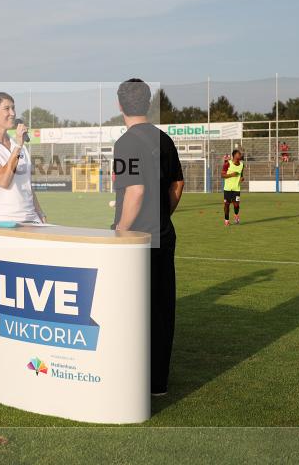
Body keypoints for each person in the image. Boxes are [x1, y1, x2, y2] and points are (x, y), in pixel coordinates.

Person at [111, 79, 185, 397]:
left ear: (120, 106)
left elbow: (136, 190)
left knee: (130, 310)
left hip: (136, 240)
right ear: (148, 103)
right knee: (161, 308)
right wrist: (162, 215)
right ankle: (158, 383)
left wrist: (121, 231)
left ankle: (130, 380)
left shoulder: (126, 143)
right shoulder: (164, 139)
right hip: (163, 234)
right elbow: (178, 186)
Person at [0, 92, 45, 223]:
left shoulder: (18, 144)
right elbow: (3, 180)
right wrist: (18, 146)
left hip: (32, 219)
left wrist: (40, 213)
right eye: (7, 109)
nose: (13, 113)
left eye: (13, 108)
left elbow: (27, 185)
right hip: (3, 221)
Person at [221, 149, 244, 226]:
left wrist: (241, 178)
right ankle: (226, 220)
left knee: (236, 205)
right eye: (239, 154)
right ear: (234, 155)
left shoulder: (242, 165)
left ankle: (236, 216)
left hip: (236, 189)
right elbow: (222, 175)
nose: (240, 155)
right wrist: (232, 174)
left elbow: (241, 174)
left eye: (240, 154)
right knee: (227, 205)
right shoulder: (227, 164)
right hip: (227, 189)